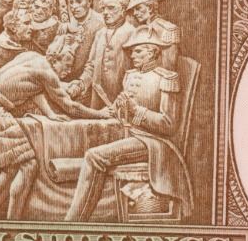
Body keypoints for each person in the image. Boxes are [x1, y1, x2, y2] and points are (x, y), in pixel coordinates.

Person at [65, 35, 192, 222]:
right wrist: (116, 108)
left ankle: (75, 221)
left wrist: (136, 110)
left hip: (153, 143)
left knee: (94, 156)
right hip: (130, 134)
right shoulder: (131, 75)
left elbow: (168, 125)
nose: (132, 55)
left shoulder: (167, 79)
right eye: (132, 51)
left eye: (138, 51)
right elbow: (122, 115)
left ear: (152, 52)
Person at [0, 49, 100, 219]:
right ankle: (13, 220)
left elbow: (34, 89)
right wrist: (101, 115)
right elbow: (71, 107)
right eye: (67, 65)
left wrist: (50, 113)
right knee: (29, 165)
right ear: (55, 60)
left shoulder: (32, 57)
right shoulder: (47, 74)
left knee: (12, 169)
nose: (68, 70)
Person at [69, 0, 130, 107]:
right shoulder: (100, 34)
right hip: (98, 98)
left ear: (123, 9)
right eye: (103, 9)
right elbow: (91, 66)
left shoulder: (132, 33)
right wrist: (81, 84)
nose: (105, 12)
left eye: (111, 8)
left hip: (123, 100)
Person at [115, 0, 180, 72]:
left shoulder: (168, 29)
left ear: (150, 8)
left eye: (138, 8)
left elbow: (169, 67)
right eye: (134, 10)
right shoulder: (139, 30)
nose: (135, 13)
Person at [52, 0, 104, 81]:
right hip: (67, 77)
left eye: (79, 1)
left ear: (89, 2)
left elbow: (97, 61)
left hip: (89, 79)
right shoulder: (71, 21)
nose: (74, 6)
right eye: (71, 2)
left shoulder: (100, 23)